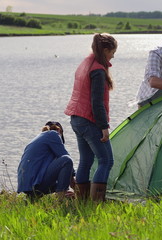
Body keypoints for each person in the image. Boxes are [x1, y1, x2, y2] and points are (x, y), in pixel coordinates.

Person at [64, 33, 116, 201]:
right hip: (89, 120)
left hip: (76, 118)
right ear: (106, 50)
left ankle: (82, 202)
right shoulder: (98, 71)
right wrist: (104, 127)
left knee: (86, 160)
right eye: (112, 52)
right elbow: (97, 103)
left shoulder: (85, 63)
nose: (113, 56)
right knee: (106, 160)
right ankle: (96, 204)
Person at [17, 121, 75, 200]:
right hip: (36, 184)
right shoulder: (53, 134)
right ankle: (62, 199)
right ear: (59, 131)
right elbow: (64, 156)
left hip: (28, 186)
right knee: (66, 160)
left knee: (63, 172)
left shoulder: (39, 139)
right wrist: (77, 184)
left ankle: (32, 198)